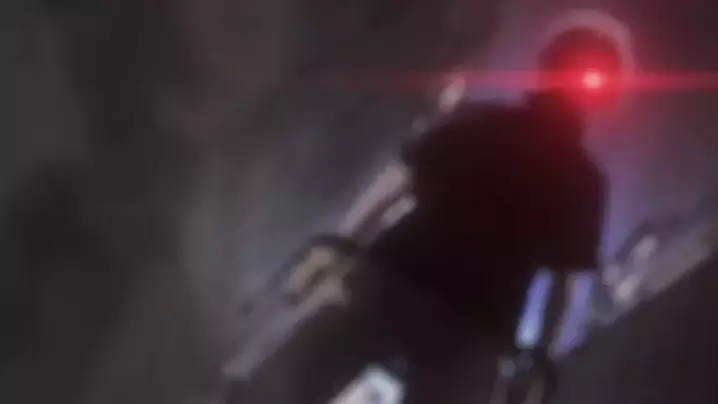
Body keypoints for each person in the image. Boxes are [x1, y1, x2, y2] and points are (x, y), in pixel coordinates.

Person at [363, 26, 615, 404]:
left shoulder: (481, 121)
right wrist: (541, 357)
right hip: (475, 326)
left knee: (304, 369)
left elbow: (397, 181)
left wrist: (348, 245)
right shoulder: (585, 180)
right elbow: (566, 285)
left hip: (398, 282)